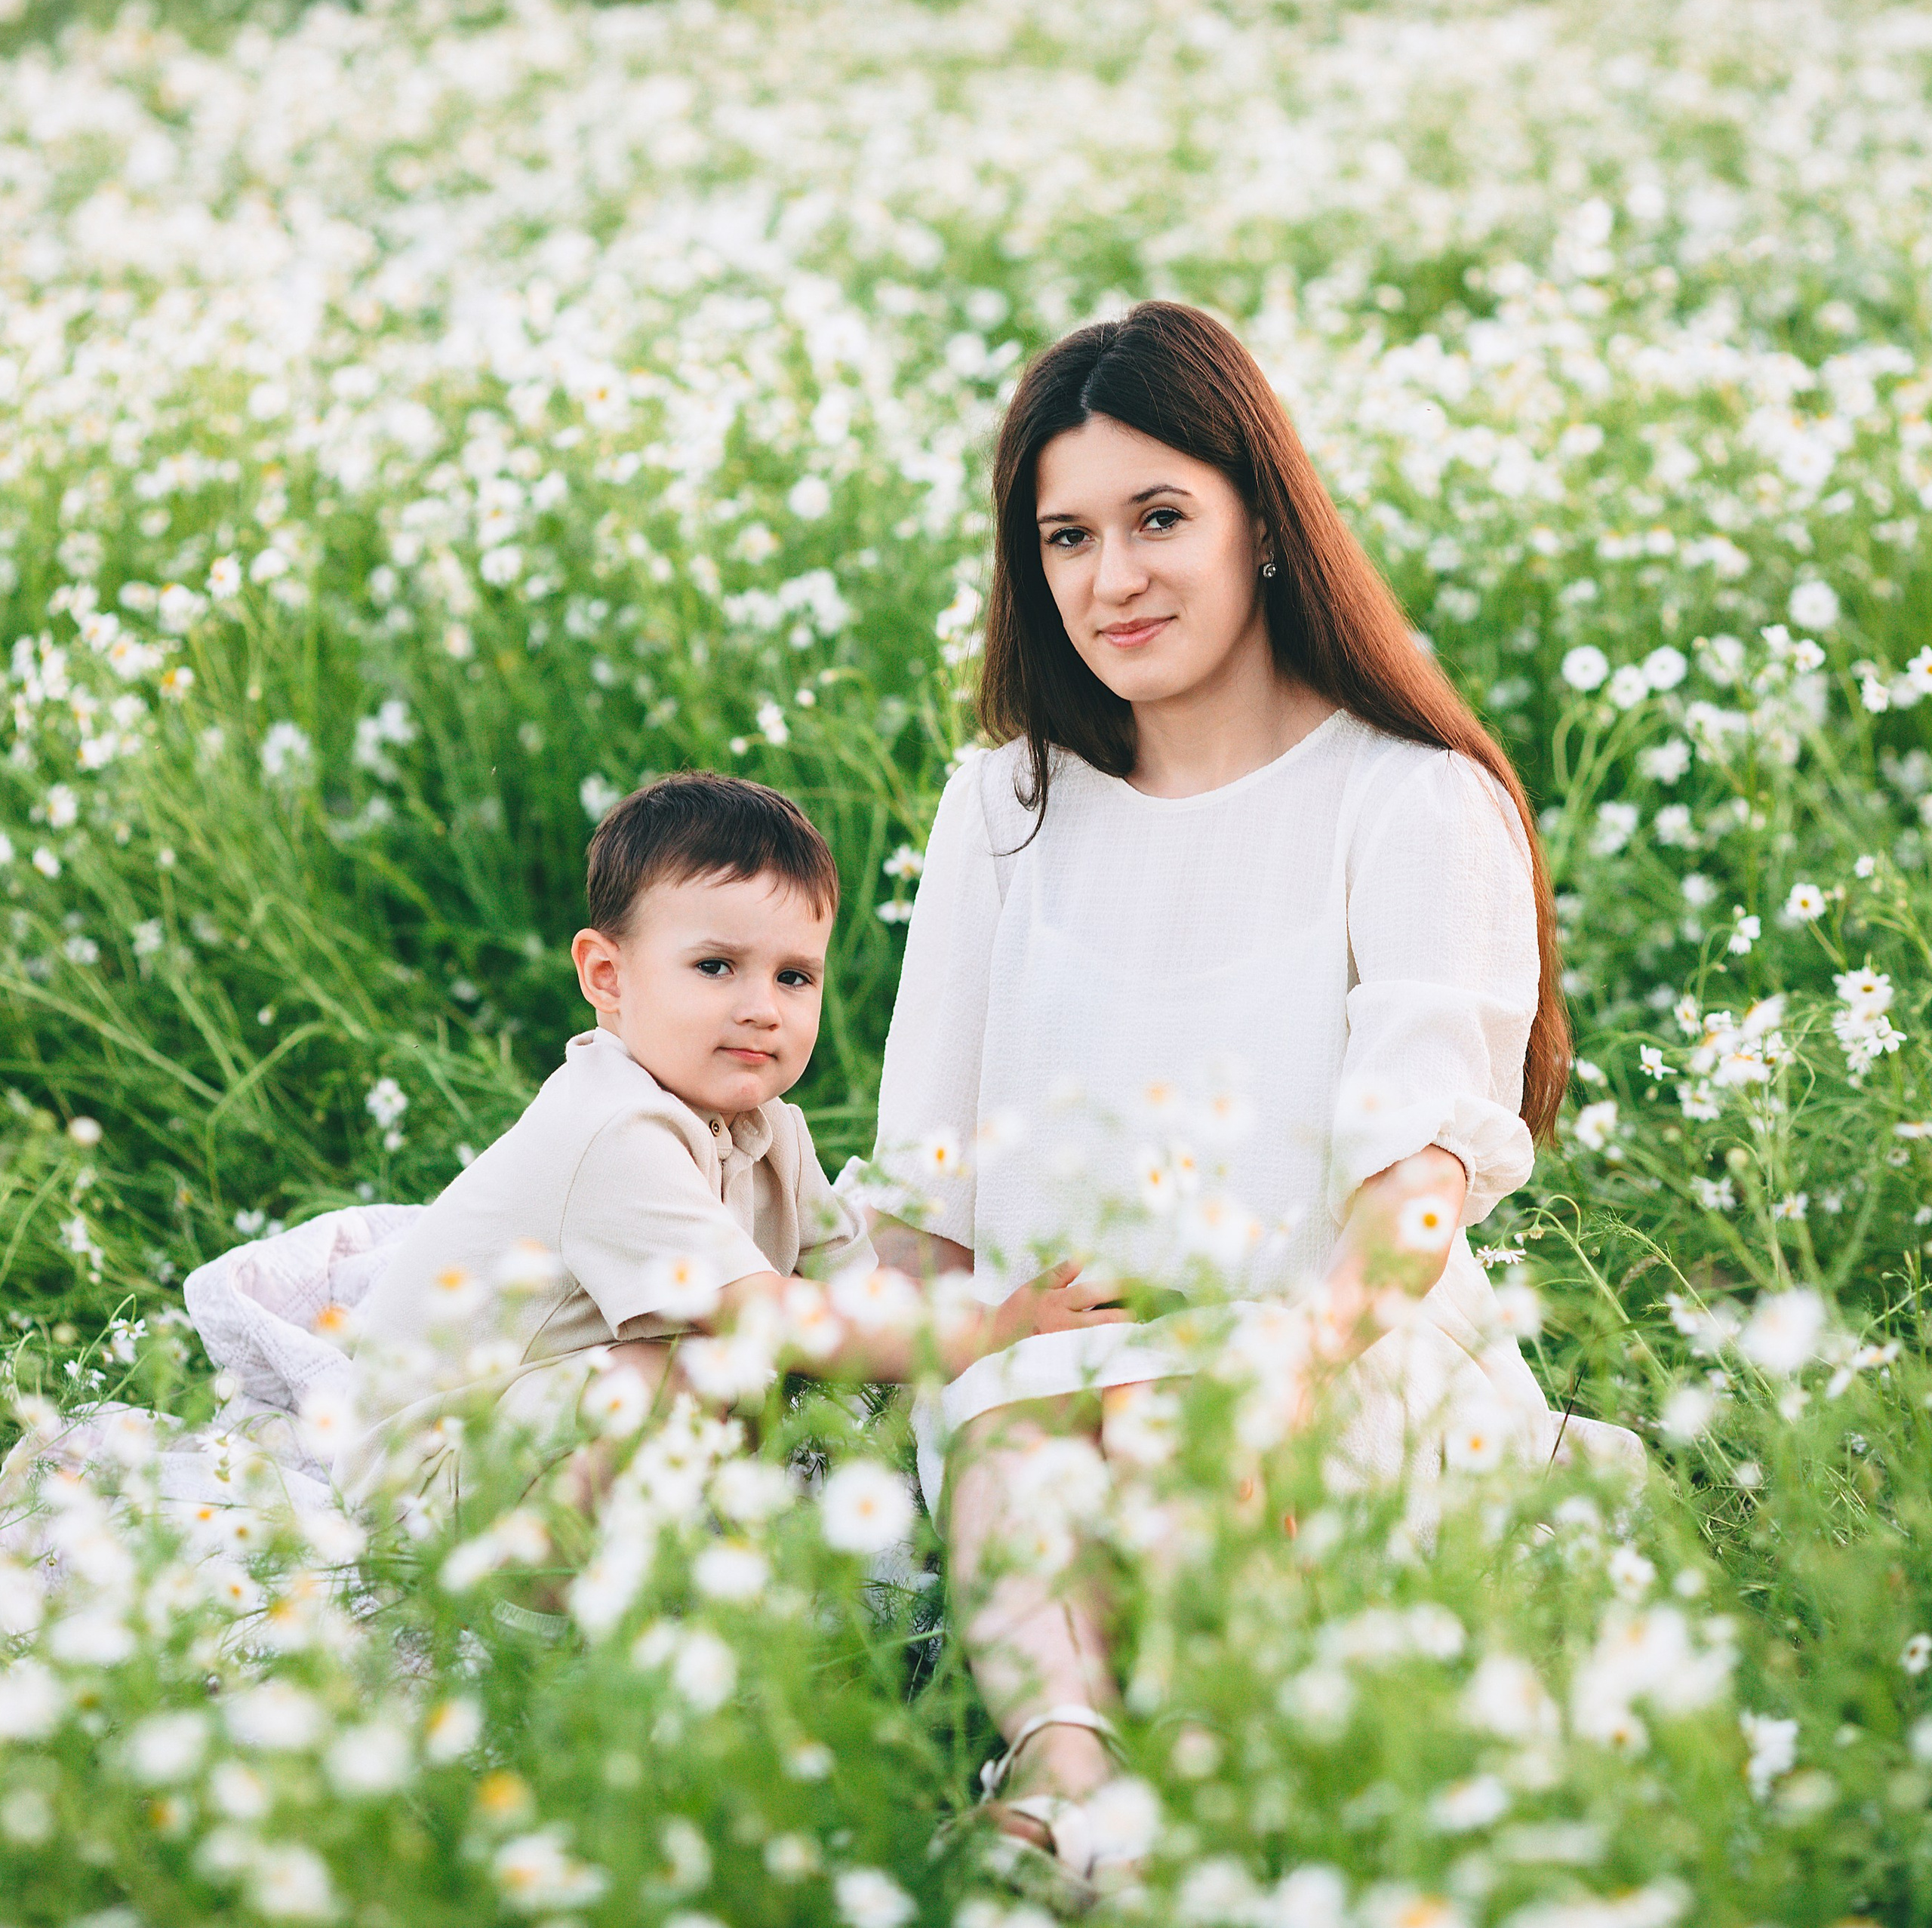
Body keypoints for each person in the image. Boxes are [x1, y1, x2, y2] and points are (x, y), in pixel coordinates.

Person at [844, 301, 1639, 1889]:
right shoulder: (1002, 806)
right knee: (1039, 1388)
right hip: (1045, 1379)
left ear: (1262, 524)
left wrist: (1290, 1349)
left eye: (1158, 518)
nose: (1110, 578)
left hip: (1335, 1348)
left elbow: (1415, 1169)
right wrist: (867, 1386)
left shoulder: (1409, 798)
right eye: (1064, 536)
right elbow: (926, 1189)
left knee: (1162, 1405)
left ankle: (1223, 1780)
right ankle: (1059, 1765)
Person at [337, 771, 1124, 1502]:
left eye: (794, 976)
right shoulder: (613, 1127)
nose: (763, 1008)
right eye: (716, 967)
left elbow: (856, 1293)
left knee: (770, 1377)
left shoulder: (773, 1129)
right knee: (697, 1367)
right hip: (435, 1469)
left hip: (548, 1431)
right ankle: (535, 1610)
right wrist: (983, 1330)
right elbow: (765, 1315)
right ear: (606, 977)